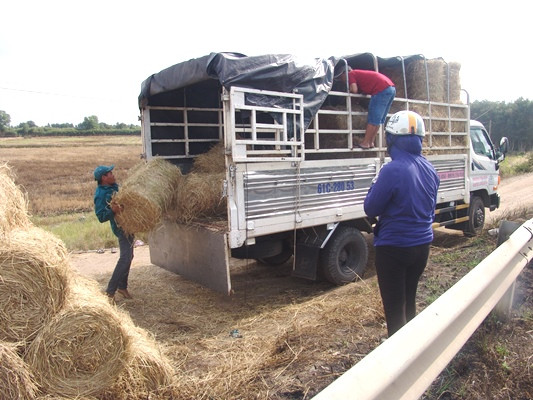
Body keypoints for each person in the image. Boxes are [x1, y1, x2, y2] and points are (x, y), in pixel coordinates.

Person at [363, 111, 440, 337]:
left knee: (395, 312)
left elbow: (371, 208)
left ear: (392, 139)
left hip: (394, 248)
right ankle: (413, 348)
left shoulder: (392, 170)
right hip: (422, 246)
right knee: (409, 301)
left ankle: (399, 364)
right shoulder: (429, 168)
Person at [93, 165, 134, 301]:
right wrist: (113, 211)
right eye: (110, 173)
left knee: (129, 256)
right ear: (103, 178)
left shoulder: (114, 187)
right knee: (125, 258)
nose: (113, 174)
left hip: (129, 224)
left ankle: (122, 286)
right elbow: (101, 217)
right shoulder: (101, 194)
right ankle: (110, 292)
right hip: (120, 227)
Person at [338, 67, 396, 149]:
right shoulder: (360, 75)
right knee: (379, 119)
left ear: (344, 73)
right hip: (391, 88)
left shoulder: (351, 74)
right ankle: (371, 142)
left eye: (341, 77)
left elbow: (354, 89)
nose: (342, 80)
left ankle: (365, 143)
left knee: (373, 118)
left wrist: (348, 92)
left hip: (381, 89)